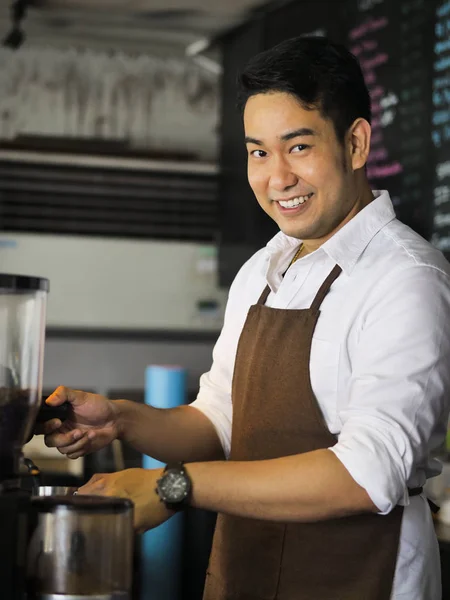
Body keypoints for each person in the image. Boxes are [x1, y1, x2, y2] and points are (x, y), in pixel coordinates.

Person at [41, 36, 450, 599]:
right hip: (245, 575)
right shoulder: (264, 268)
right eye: (259, 152)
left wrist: (171, 485)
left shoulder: (406, 277)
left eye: (298, 147)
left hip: (361, 579)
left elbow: (368, 471)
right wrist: (121, 418)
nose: (276, 178)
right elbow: (219, 422)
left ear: (356, 144)